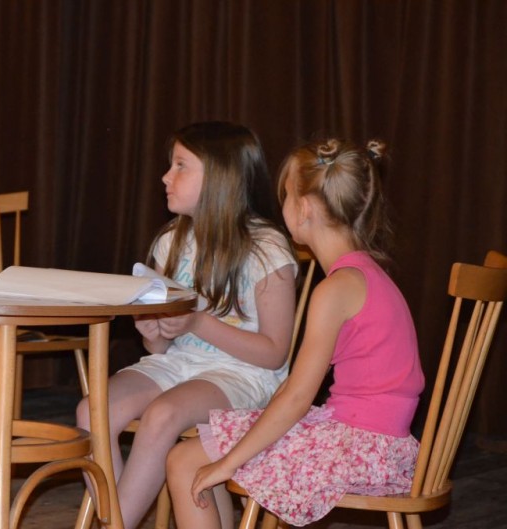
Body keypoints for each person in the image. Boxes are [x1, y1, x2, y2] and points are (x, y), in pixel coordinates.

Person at [166, 139, 425, 528]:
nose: (282, 205)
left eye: (285, 195)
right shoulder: (369, 274)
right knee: (206, 447)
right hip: (382, 444)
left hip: (357, 447)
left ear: (304, 209)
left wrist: (229, 463)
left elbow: (298, 397)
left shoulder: (336, 289)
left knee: (185, 460)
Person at [76, 121, 297, 529]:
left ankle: (112, 524)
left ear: (220, 178)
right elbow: (161, 350)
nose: (166, 176)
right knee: (92, 410)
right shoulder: (171, 241)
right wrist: (154, 335)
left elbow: (274, 353)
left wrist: (196, 322)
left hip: (243, 376)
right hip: (179, 365)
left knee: (162, 415)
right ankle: (116, 520)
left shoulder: (266, 249)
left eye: (181, 165)